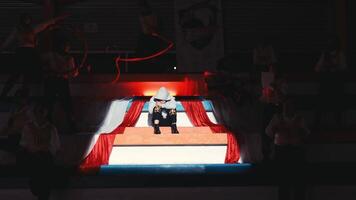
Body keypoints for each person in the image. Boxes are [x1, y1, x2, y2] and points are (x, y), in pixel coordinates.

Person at [0, 13, 69, 98]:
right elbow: (9, 40)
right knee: (16, 75)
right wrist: (2, 47)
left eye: (28, 19)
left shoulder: (32, 29)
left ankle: (22, 97)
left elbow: (46, 23)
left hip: (28, 52)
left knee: (26, 76)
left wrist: (59, 17)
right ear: (22, 20)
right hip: (23, 52)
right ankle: (4, 95)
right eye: (25, 19)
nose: (27, 21)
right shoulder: (19, 29)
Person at [41, 27, 87, 133]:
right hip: (52, 81)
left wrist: (74, 70)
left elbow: (73, 73)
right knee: (49, 104)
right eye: (65, 45)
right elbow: (40, 60)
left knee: (66, 105)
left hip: (60, 82)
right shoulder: (51, 55)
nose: (67, 48)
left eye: (67, 46)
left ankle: (71, 127)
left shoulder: (68, 58)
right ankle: (48, 127)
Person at [266, 99, 309, 200]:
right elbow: (268, 132)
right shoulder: (277, 118)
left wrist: (297, 131)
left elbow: (306, 134)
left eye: (290, 106)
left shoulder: (300, 119)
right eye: (285, 106)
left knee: (298, 181)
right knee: (283, 182)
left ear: (294, 108)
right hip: (281, 152)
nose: (287, 108)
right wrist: (277, 130)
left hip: (296, 152)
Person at [17, 100, 60, 200]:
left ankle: (42, 191)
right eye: (38, 111)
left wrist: (44, 149)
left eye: (42, 111)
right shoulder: (28, 127)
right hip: (32, 157)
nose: (40, 114)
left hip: (44, 158)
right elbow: (24, 144)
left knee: (44, 166)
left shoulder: (51, 128)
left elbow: (55, 147)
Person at [314, 37, 347, 130]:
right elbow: (316, 68)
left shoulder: (340, 55)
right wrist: (325, 67)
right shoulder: (325, 54)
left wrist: (335, 67)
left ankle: (338, 124)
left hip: (336, 83)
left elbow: (344, 68)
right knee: (320, 104)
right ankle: (317, 124)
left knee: (337, 104)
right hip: (325, 83)